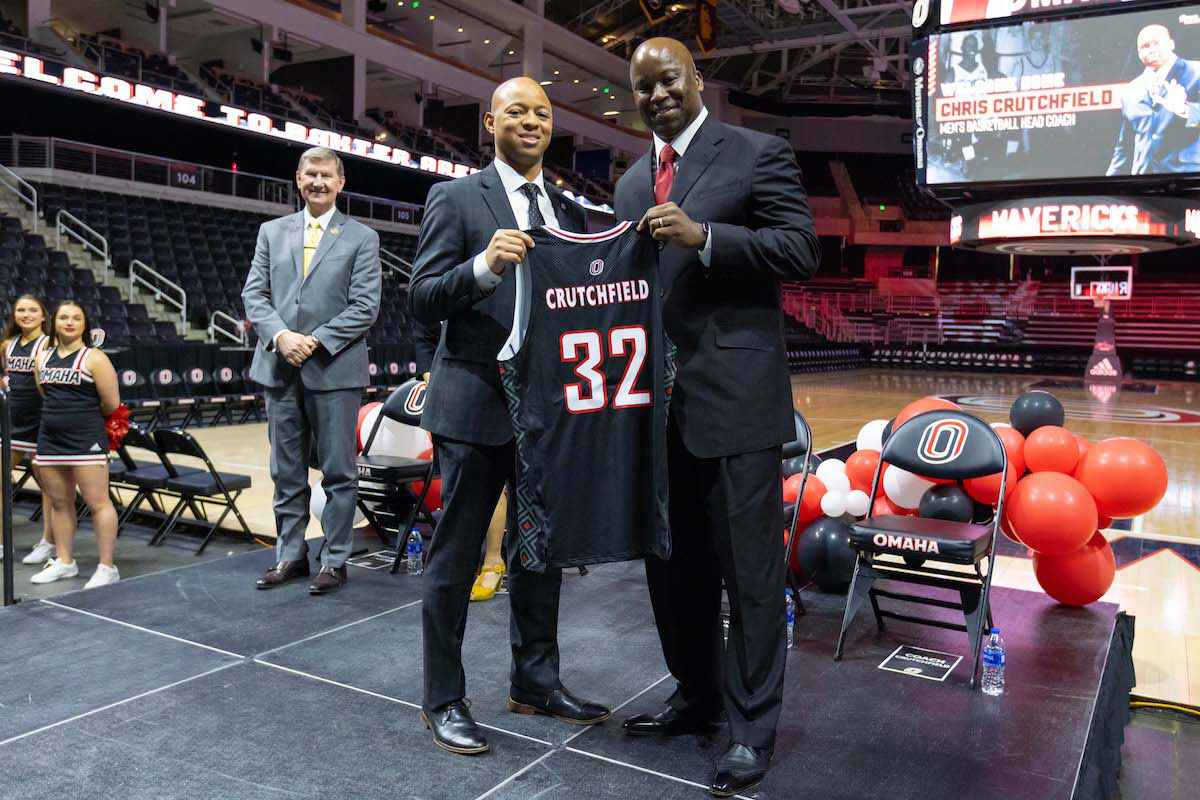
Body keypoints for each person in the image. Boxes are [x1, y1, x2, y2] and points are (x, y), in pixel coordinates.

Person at [613, 38, 820, 797]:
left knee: (752, 578)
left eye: (668, 79)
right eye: (643, 87)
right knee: (675, 575)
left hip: (736, 405)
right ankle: (694, 695)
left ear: (696, 78)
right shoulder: (632, 183)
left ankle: (752, 728)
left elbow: (801, 249)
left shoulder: (758, 153)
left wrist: (706, 240)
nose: (658, 94)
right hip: (657, 414)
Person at [409, 76, 608, 755]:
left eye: (543, 112)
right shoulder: (456, 198)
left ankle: (535, 680)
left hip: (547, 411)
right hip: (473, 405)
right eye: (517, 110)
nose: (531, 120)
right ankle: (442, 697)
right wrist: (484, 266)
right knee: (456, 557)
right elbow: (422, 297)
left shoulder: (571, 212)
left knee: (539, 553)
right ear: (489, 122)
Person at [242, 146, 381, 594]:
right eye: (310, 174)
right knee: (286, 471)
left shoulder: (361, 237)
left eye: (326, 175)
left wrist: (314, 340)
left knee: (339, 471)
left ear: (341, 183)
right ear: (298, 179)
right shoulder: (270, 231)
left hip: (334, 368)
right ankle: (291, 555)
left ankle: (335, 560)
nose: (318, 182)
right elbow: (254, 296)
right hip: (279, 368)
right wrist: (282, 337)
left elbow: (365, 306)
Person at [29, 301, 121, 588]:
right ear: (54, 322)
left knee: (98, 503)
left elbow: (111, 403)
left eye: (76, 318)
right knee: (59, 502)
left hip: (86, 440)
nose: (69, 322)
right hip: (50, 439)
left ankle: (107, 568)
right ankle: (65, 561)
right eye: (64, 317)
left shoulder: (94, 358)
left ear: (85, 324)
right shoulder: (41, 358)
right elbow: (45, 393)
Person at [415, 316, 505, 603]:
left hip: (494, 382)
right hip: (448, 391)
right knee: (459, 488)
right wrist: (434, 376)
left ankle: (493, 561)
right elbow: (422, 333)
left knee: (495, 480)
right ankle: (462, 568)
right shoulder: (438, 281)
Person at [1, 295, 54, 565]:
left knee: (48, 486)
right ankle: (0, 541)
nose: (26, 314)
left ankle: (47, 543)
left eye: (32, 310)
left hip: (41, 421)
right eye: (21, 310)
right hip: (12, 422)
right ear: (14, 315)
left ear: (43, 316)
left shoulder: (49, 343)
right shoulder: (7, 345)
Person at [1108, 24, 1200, 176]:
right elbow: (1125, 146)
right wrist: (1107, 183)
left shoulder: (1197, 71)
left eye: (1157, 43)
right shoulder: (1130, 90)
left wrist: (1185, 110)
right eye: (1145, 46)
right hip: (1143, 183)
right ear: (1138, 53)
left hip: (1189, 178)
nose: (1151, 49)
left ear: (1171, 44)